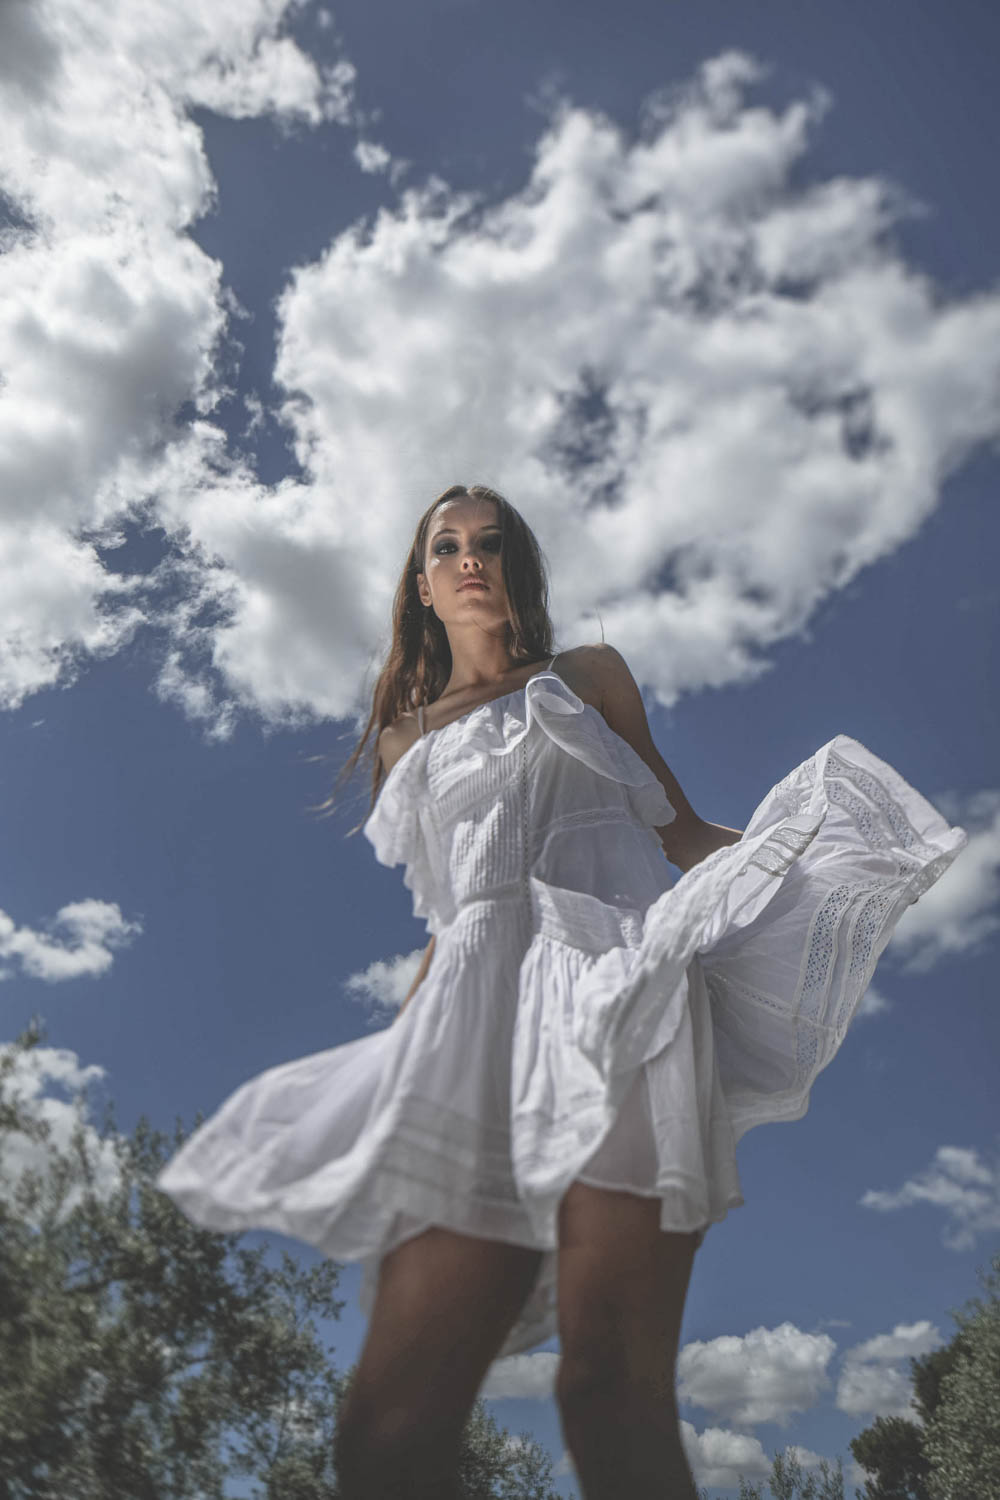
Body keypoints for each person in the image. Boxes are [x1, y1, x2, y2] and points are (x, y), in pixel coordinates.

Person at [156, 483, 967, 1500]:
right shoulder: (409, 740)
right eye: (445, 545)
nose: (468, 557)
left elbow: (675, 833)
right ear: (422, 585)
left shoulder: (586, 676)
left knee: (608, 1390)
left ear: (515, 569)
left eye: (489, 543)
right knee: (388, 1426)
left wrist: (814, 867)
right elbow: (449, 922)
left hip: (618, 997)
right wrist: (404, 1070)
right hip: (472, 1019)